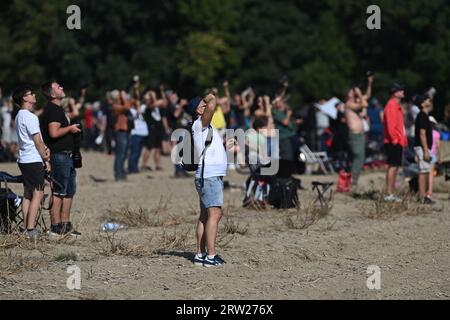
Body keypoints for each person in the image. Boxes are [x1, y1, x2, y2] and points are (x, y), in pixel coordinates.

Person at [40, 81, 82, 236]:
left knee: (69, 191)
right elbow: (53, 132)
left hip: (68, 156)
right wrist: (70, 128)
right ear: (52, 94)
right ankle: (55, 226)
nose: (62, 88)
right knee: (59, 192)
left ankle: (65, 225)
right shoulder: (52, 110)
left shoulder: (58, 109)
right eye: (58, 87)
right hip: (59, 156)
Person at [192, 93, 228, 268]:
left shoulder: (204, 126)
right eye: (203, 104)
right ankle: (211, 257)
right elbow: (214, 105)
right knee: (215, 214)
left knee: (205, 216)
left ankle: (200, 254)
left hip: (206, 175)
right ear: (198, 110)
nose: (206, 105)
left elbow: (210, 147)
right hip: (209, 176)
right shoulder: (201, 123)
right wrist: (211, 96)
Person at [13, 86, 50, 239]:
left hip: (23, 158)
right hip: (33, 158)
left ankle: (27, 227)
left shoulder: (19, 116)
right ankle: (30, 228)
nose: (34, 95)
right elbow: (37, 141)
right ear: (24, 98)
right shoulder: (30, 116)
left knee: (28, 194)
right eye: (30, 94)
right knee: (38, 192)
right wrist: (46, 159)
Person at [383, 84, 408, 202]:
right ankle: (388, 193)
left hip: (398, 141)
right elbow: (390, 125)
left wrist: (403, 140)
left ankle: (391, 193)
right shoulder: (391, 105)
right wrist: (395, 139)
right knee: (392, 167)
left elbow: (400, 125)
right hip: (393, 141)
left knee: (395, 167)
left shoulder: (396, 105)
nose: (403, 91)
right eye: (400, 90)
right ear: (395, 93)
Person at [344, 87, 369, 189]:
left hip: (359, 135)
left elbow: (367, 98)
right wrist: (359, 94)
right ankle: (352, 181)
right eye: (352, 92)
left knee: (354, 158)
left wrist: (369, 83)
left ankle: (348, 180)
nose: (354, 94)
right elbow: (364, 104)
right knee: (359, 157)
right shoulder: (349, 104)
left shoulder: (355, 106)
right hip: (355, 135)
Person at [413, 95, 434, 204]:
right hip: (422, 147)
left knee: (426, 170)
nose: (429, 101)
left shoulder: (424, 115)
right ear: (422, 104)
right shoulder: (422, 116)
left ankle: (424, 196)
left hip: (423, 147)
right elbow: (422, 134)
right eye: (427, 100)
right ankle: (421, 197)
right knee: (423, 171)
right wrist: (425, 150)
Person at [112, 90, 132, 181]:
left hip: (127, 130)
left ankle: (122, 171)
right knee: (120, 153)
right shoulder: (116, 106)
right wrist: (124, 98)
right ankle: (118, 173)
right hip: (120, 131)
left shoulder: (124, 103)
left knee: (125, 153)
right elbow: (127, 108)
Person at [427, 116, 441, 201]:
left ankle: (427, 192)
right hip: (433, 155)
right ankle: (429, 192)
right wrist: (440, 157)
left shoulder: (425, 133)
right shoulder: (436, 134)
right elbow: (438, 147)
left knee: (426, 173)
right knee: (430, 175)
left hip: (428, 154)